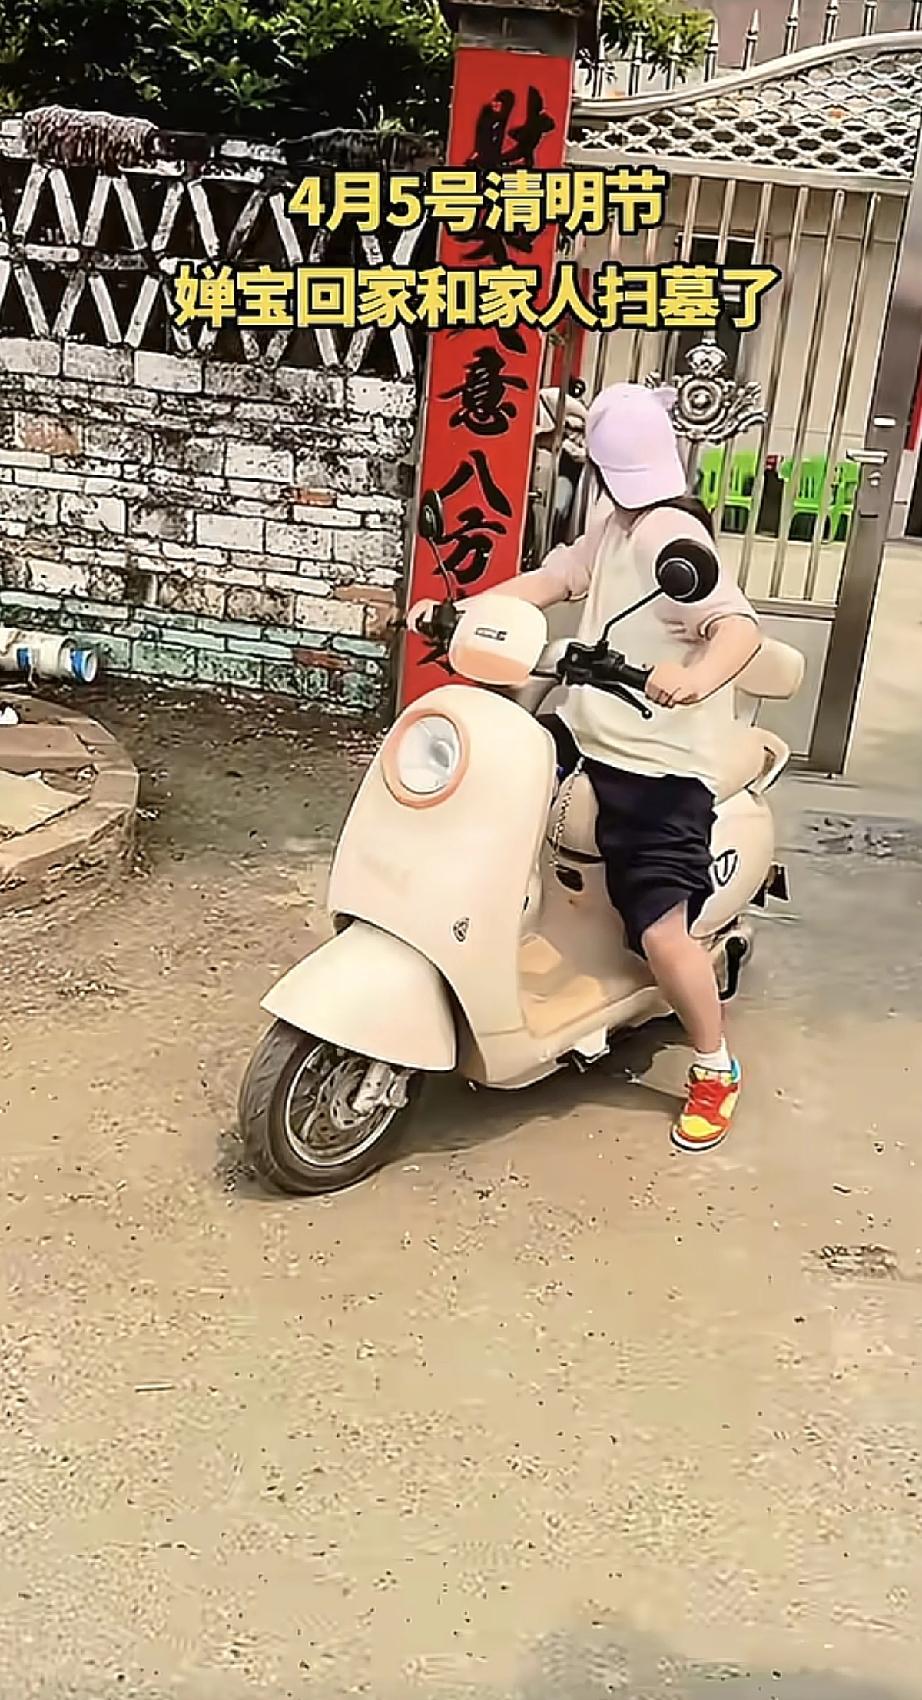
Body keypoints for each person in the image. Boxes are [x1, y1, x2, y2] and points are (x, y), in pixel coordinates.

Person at [504, 381, 761, 1152]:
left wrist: (699, 676)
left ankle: (714, 1067)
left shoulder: (672, 536)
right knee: (500, 792)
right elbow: (558, 577)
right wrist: (477, 610)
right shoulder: (614, 522)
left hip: (658, 766)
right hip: (588, 732)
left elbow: (737, 628)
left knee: (659, 932)